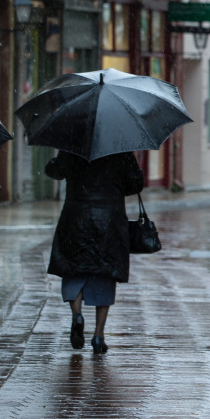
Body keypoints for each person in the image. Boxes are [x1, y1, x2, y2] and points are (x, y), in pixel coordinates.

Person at [46, 151, 145, 355]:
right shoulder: (120, 148)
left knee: (73, 269)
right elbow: (136, 184)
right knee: (105, 274)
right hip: (109, 218)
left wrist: (57, 160)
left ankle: (77, 315)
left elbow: (54, 171)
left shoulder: (73, 145)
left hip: (76, 217)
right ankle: (98, 336)